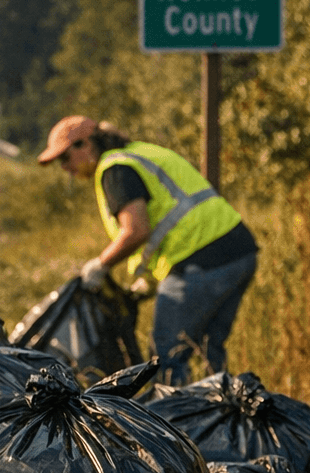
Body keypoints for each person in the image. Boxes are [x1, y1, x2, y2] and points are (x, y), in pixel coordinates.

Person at [38, 115, 258, 385]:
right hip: (239, 251)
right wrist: (148, 281)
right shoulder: (138, 153)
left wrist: (100, 265)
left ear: (84, 145)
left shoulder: (115, 168)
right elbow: (165, 222)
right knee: (207, 353)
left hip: (200, 262)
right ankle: (219, 420)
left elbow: (136, 230)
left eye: (65, 159)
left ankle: (174, 424)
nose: (65, 168)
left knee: (167, 358)